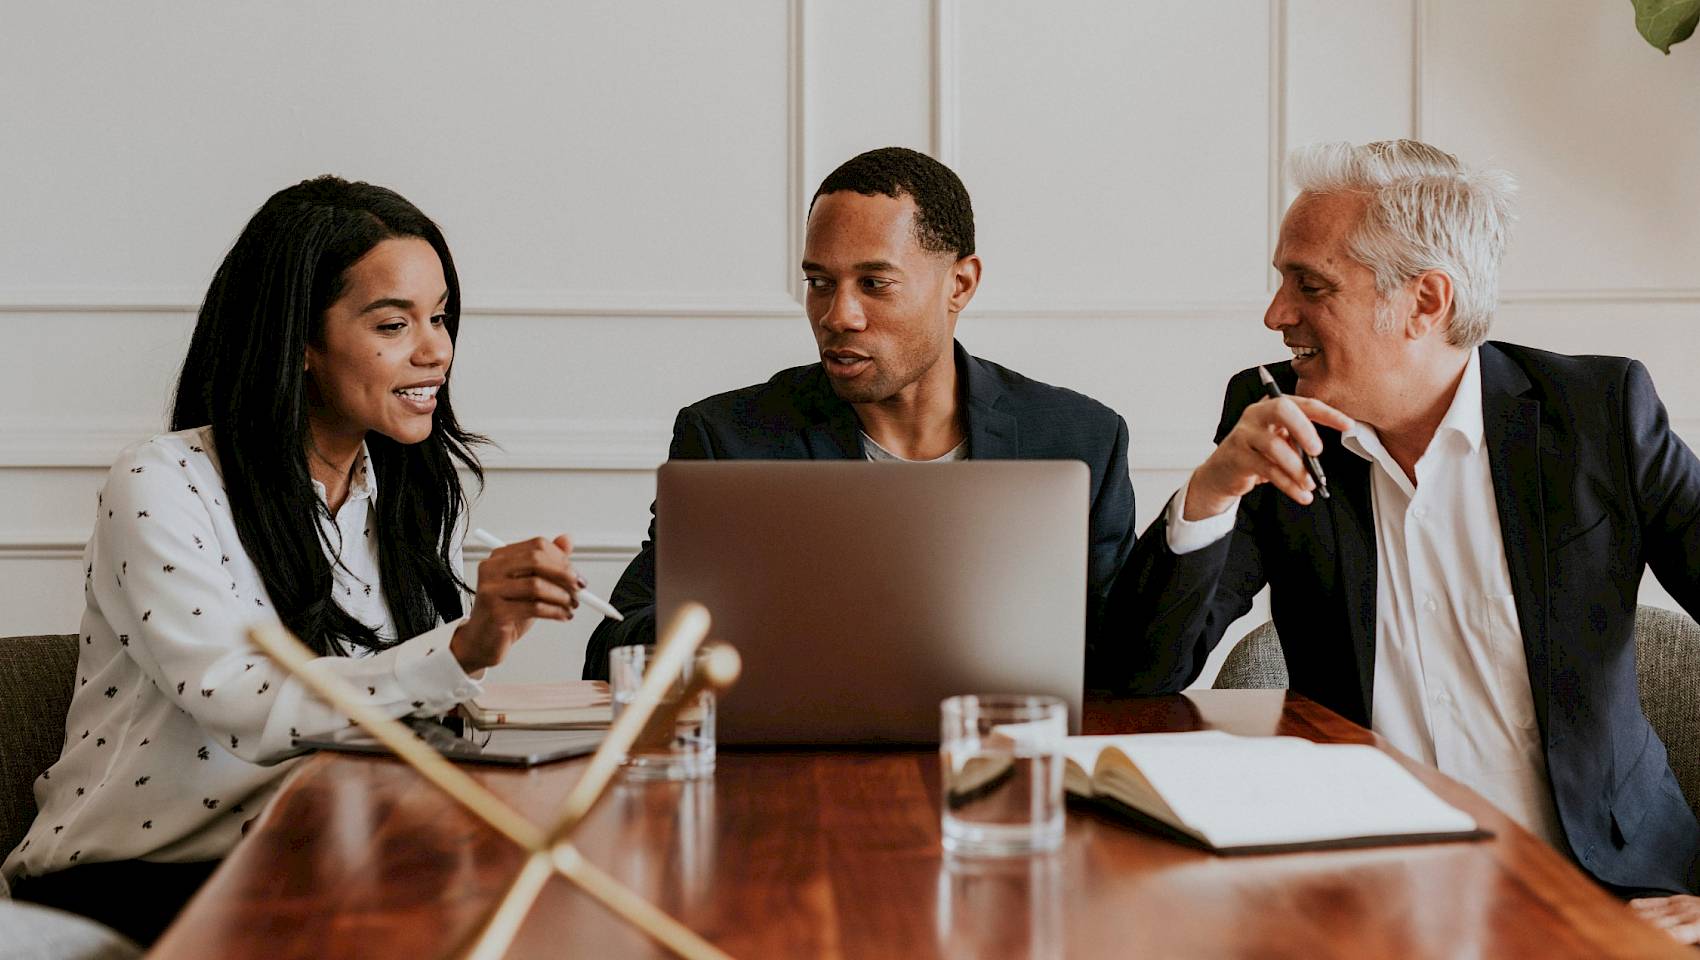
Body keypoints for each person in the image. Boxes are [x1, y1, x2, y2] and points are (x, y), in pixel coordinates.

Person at [1113, 139, 1700, 938]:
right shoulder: (1273, 422)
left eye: (1308, 284)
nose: (1275, 314)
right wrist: (1214, 489)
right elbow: (1136, 677)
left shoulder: (1598, 413)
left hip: (1608, 892)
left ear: (1424, 302)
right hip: (1366, 900)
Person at [1, 177, 587, 945]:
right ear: (301, 343)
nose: (435, 348)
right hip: (138, 878)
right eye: (393, 322)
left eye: (439, 316)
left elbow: (402, 724)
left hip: (330, 864)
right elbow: (249, 704)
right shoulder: (163, 483)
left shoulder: (407, 499)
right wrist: (463, 646)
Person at [583, 147, 1137, 686]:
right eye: (819, 282)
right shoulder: (728, 436)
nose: (837, 315)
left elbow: (1128, 665)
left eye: (874, 284)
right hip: (800, 767)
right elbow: (610, 654)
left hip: (1001, 758)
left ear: (960, 284)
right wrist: (745, 615)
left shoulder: (1079, 438)